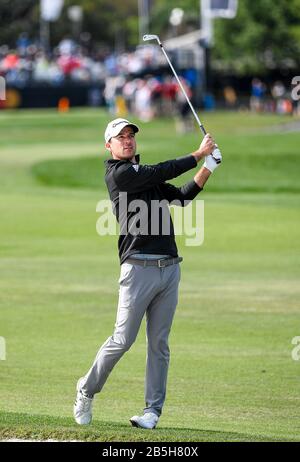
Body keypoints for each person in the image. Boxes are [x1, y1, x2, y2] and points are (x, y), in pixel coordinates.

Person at [74, 118, 222, 429]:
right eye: (120, 137)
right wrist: (197, 154)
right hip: (137, 268)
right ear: (109, 146)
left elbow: (181, 197)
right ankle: (86, 390)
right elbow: (160, 171)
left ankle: (152, 412)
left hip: (169, 269)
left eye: (130, 136)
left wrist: (209, 167)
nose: (127, 141)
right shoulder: (119, 175)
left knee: (159, 344)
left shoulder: (145, 178)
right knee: (123, 339)